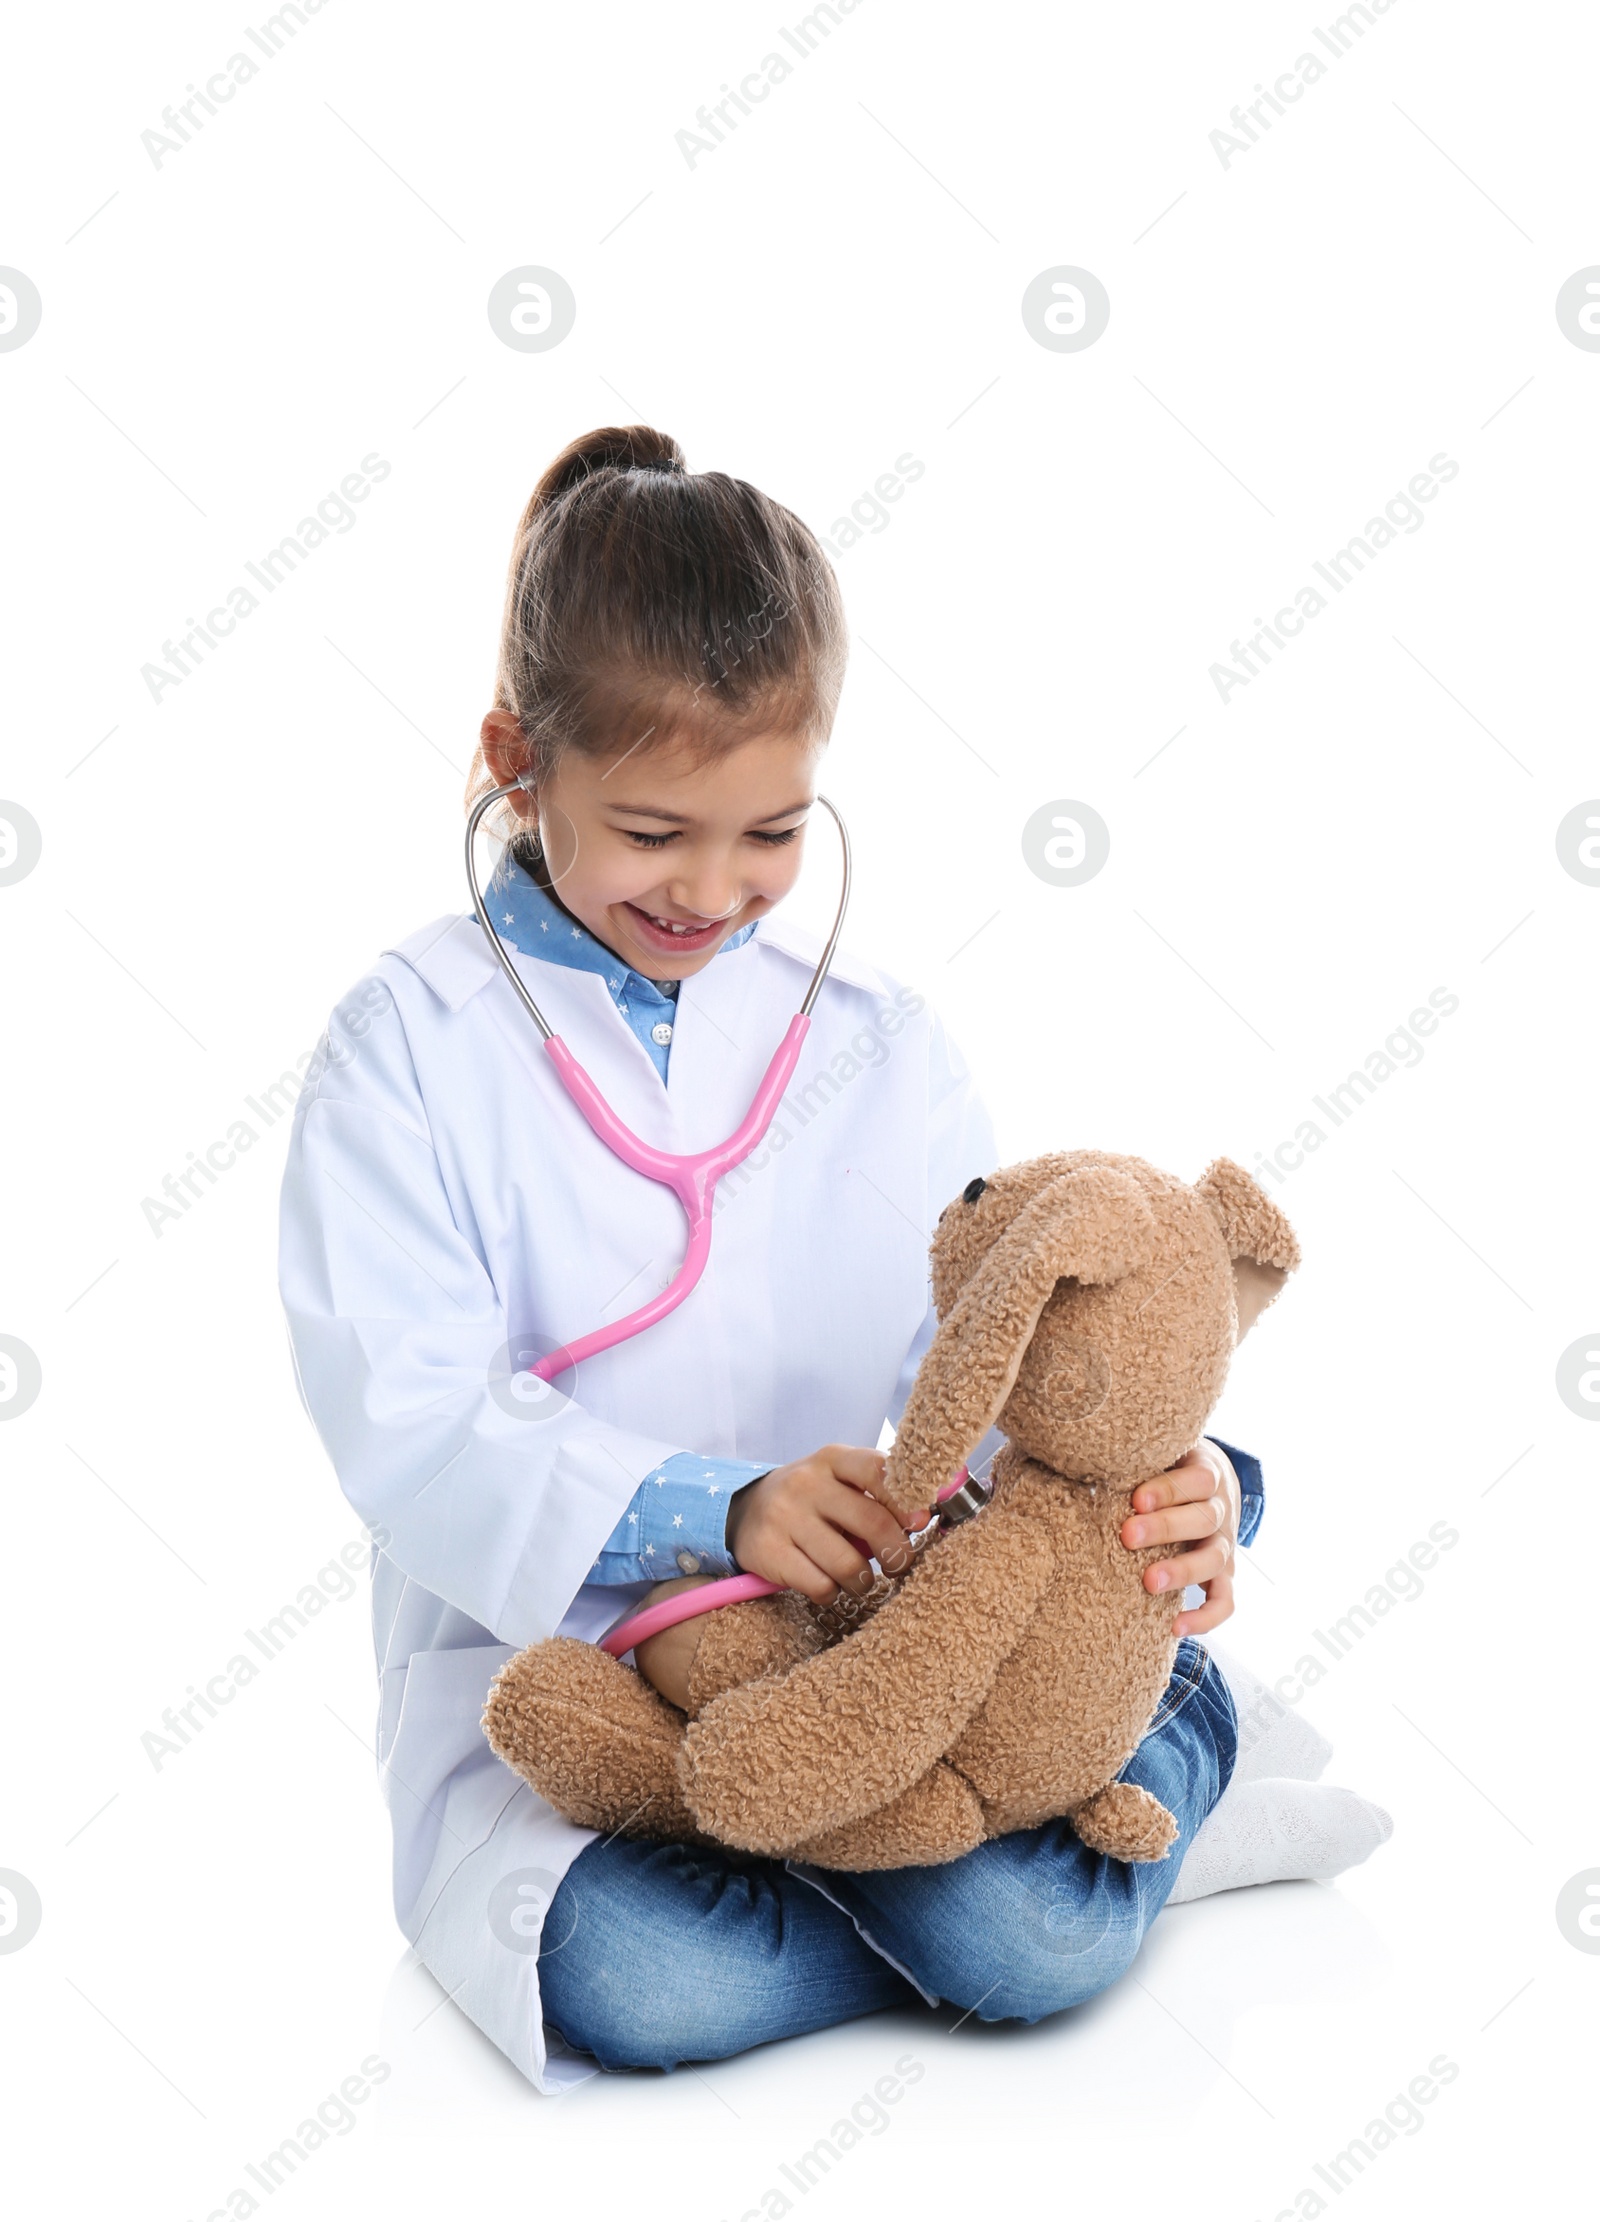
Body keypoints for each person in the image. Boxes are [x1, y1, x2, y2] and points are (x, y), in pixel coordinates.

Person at [277, 424, 1388, 2090]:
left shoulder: (878, 1041)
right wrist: (709, 1508)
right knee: (646, 1982)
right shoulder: (404, 1049)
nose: (715, 890)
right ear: (521, 763)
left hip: (883, 1665)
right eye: (653, 830)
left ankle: (1163, 1732)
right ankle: (1003, 1906)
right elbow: (411, 1419)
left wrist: (1173, 1500)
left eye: (773, 831)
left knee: (1011, 1932)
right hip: (580, 1699)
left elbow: (1004, 1367)